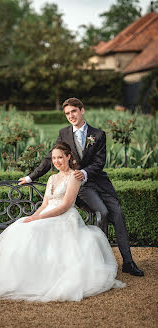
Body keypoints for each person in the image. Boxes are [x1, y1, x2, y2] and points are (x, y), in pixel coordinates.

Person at [0, 143, 125, 302]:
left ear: (68, 157)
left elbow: (65, 205)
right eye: (54, 158)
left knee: (35, 231)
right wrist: (33, 217)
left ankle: (41, 278)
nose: (57, 161)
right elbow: (45, 204)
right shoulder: (52, 178)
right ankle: (19, 278)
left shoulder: (74, 177)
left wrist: (39, 218)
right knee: (21, 228)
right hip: (48, 214)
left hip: (64, 217)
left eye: (60, 157)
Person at [19, 97, 144, 277]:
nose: (71, 116)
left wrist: (85, 172)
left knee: (117, 213)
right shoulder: (64, 134)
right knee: (102, 212)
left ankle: (128, 263)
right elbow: (50, 158)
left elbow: (99, 162)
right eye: (67, 113)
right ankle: (101, 261)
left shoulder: (98, 134)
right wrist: (31, 177)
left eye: (74, 111)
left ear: (82, 110)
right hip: (81, 188)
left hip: (99, 182)